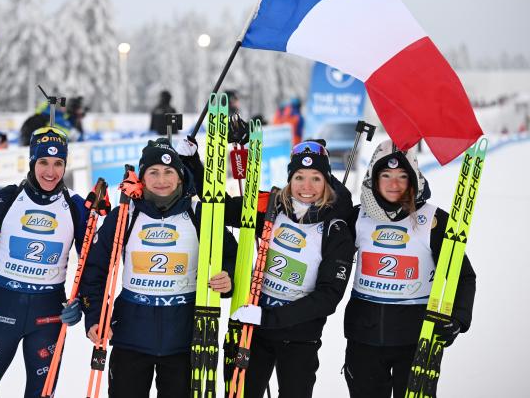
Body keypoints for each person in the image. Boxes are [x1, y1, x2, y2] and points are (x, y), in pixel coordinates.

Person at [180, 138, 356, 398]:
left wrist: (269, 318)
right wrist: (193, 163)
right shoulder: (273, 206)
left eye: (316, 178)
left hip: (300, 337)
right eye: (299, 177)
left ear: (327, 180)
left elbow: (328, 297)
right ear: (289, 179)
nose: (306, 187)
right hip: (255, 333)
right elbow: (222, 208)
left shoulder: (336, 228)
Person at [79, 138, 237, 398]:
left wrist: (227, 278)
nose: (161, 179)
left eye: (168, 172)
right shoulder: (125, 215)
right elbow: (95, 270)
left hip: (185, 341)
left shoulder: (200, 214)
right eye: (153, 172)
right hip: (130, 338)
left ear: (180, 177)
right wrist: (95, 316)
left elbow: (231, 255)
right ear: (142, 177)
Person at [0, 127, 88, 397]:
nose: (51, 171)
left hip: (49, 313)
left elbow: (89, 267)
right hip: (3, 308)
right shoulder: (6, 198)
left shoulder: (76, 207)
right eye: (43, 162)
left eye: (58, 163)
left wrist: (82, 305)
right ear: (32, 162)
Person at [342, 140, 476, 398]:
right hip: (364, 338)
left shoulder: (434, 221)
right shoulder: (358, 217)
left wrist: (457, 318)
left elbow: (463, 276)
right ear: (373, 176)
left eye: (403, 176)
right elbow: (325, 254)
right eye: (386, 175)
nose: (394, 184)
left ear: (414, 178)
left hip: (416, 340)